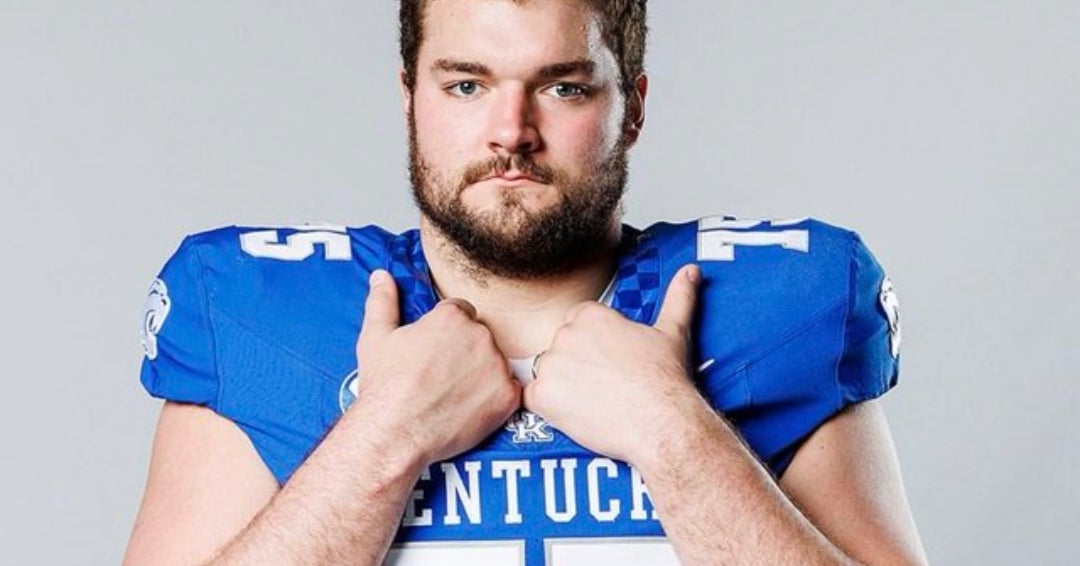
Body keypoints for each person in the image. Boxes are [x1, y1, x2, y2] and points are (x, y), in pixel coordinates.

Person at [124, 1, 927, 564]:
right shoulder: (260, 311)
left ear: (632, 108)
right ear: (410, 99)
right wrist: (384, 437)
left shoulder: (777, 306)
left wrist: (674, 432)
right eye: (466, 85)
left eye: (562, 87)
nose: (511, 133)